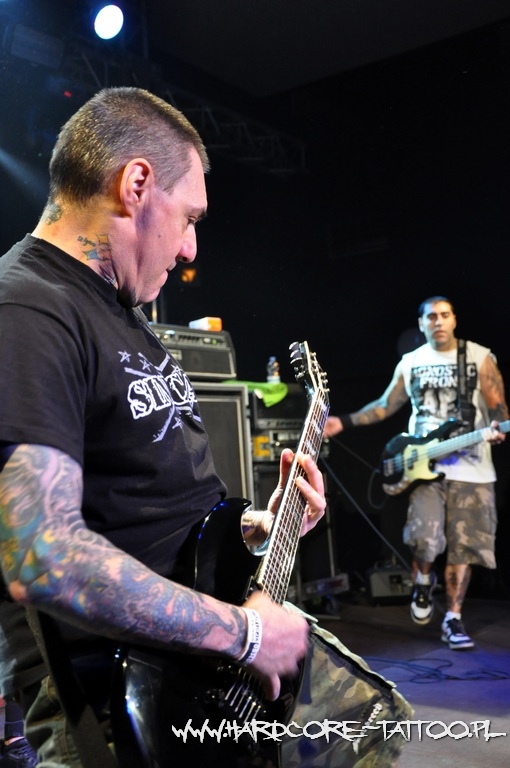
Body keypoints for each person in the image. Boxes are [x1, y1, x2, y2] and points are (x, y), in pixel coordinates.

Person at [0, 87, 328, 766]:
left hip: (191, 678)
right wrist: (244, 633)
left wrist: (253, 529)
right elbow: (42, 556)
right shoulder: (27, 308)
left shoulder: (122, 308)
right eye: (190, 218)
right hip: (111, 709)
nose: (189, 247)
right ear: (137, 184)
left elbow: (142, 504)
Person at [325, 296, 508, 650]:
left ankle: (453, 618)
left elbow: (498, 406)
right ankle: (423, 579)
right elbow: (385, 406)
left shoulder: (478, 356)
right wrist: (343, 422)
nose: (438, 322)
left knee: (464, 548)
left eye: (445, 315)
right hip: (425, 467)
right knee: (425, 539)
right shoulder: (412, 362)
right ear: (421, 323)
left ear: (454, 320)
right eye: (431, 317)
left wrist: (498, 427)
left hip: (473, 469)